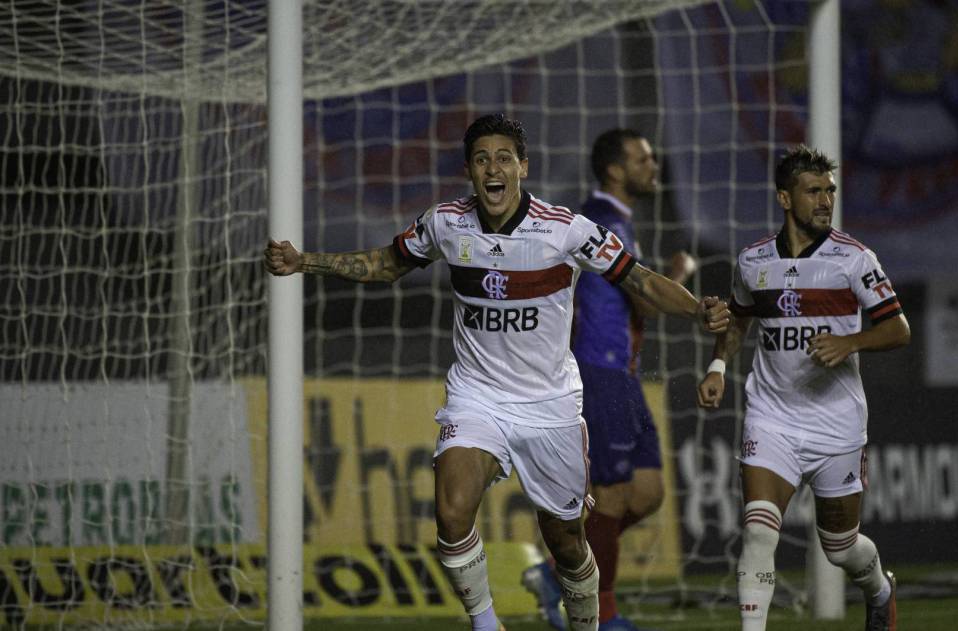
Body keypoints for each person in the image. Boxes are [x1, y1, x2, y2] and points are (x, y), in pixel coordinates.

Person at [264, 114, 731, 631]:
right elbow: (387, 262)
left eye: (504, 158)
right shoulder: (445, 222)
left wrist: (695, 310)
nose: (494, 168)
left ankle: (585, 622)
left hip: (550, 404)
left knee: (569, 543)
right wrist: (305, 261)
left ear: (522, 168)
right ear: (469, 170)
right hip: (476, 396)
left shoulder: (566, 230)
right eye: (482, 158)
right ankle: (487, 625)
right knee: (452, 509)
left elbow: (640, 280)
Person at [696, 145, 909, 631]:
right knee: (758, 533)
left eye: (829, 191)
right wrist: (716, 367)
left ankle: (880, 588)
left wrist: (849, 341)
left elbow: (899, 330)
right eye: (813, 191)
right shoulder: (753, 262)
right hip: (772, 417)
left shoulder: (854, 259)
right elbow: (739, 322)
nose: (825, 200)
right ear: (785, 198)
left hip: (836, 420)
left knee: (839, 547)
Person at [572, 128, 694, 631]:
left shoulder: (616, 219)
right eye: (643, 159)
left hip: (624, 373)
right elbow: (645, 300)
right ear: (616, 170)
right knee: (615, 494)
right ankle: (600, 613)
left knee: (647, 493)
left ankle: (567, 568)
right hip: (598, 370)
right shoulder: (602, 221)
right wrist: (678, 276)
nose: (653, 165)